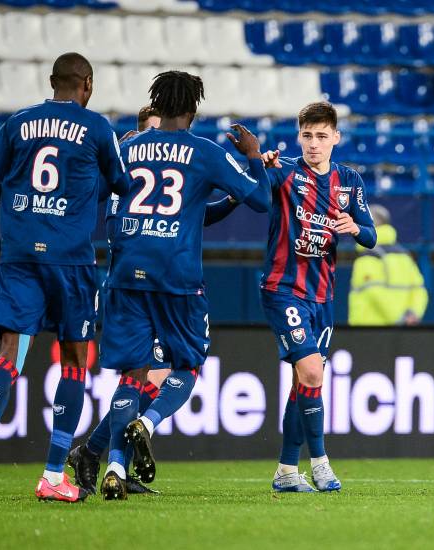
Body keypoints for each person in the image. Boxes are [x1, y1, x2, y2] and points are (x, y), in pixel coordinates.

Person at [0, 52, 131, 505]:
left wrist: (26, 207)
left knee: (9, 355)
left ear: (51, 81)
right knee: (75, 360)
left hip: (18, 254)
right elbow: (122, 183)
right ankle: (54, 473)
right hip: (70, 260)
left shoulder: (16, 123)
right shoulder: (96, 128)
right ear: (87, 85)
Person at [101, 71, 271, 500]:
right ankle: (150, 422)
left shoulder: (128, 148)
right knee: (188, 366)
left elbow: (116, 204)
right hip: (176, 277)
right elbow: (262, 201)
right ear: (194, 109)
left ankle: (116, 469)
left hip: (125, 274)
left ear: (157, 102)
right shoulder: (205, 152)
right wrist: (252, 156)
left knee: (133, 373)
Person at [258, 101, 377, 493]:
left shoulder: (350, 181)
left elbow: (371, 236)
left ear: (336, 138)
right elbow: (256, 193)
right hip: (283, 288)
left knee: (302, 383)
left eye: (322, 136)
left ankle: (286, 472)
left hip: (323, 296)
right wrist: (261, 164)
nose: (313, 144)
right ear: (299, 137)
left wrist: (354, 227)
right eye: (307, 135)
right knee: (312, 371)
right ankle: (321, 463)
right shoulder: (286, 171)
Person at [348, 204, 427, 326]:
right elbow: (419, 290)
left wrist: (398, 320)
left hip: (368, 330)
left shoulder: (367, 256)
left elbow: (373, 291)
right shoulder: (405, 256)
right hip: (401, 331)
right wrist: (412, 315)